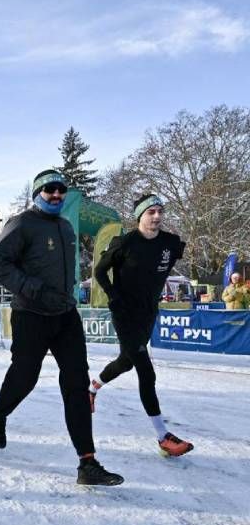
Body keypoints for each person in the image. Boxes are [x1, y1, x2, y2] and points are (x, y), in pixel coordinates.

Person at [0, 170, 123, 486]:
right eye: (50, 190)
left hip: (65, 315)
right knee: (25, 377)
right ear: (37, 193)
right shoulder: (21, 223)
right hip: (31, 314)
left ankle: (87, 464)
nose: (57, 195)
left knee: (76, 383)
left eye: (61, 190)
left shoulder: (64, 226)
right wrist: (32, 288)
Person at [91, 194, 193, 457]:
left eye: (160, 211)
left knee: (126, 362)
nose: (157, 216)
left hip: (149, 312)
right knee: (146, 373)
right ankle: (163, 437)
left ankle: (90, 390)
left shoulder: (170, 243)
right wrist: (114, 296)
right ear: (140, 217)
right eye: (151, 212)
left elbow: (162, 267)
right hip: (125, 314)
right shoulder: (124, 242)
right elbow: (100, 271)